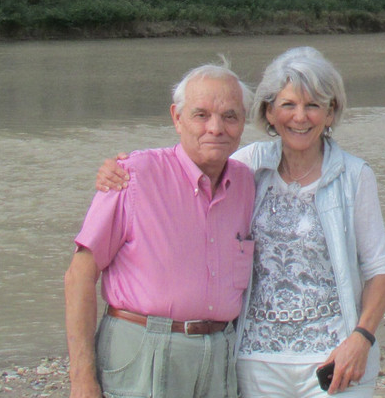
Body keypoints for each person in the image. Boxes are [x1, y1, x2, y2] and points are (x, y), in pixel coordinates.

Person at [96, 47, 385, 398]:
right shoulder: (248, 166)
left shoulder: (354, 176)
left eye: (313, 105)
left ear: (331, 113)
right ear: (268, 112)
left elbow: (377, 269)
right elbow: (192, 167)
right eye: (288, 105)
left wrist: (362, 338)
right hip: (256, 362)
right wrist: (123, 170)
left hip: (335, 360)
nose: (301, 117)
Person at [66, 64, 255, 398]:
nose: (216, 127)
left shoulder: (247, 183)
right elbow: (79, 275)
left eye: (230, 116)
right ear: (176, 117)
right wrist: (82, 379)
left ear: (243, 123)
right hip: (143, 350)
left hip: (221, 355)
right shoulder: (132, 176)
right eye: (201, 115)